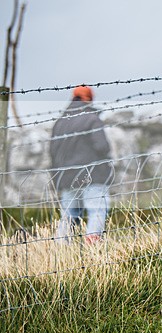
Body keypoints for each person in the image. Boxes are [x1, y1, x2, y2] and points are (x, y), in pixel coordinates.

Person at [50, 85, 113, 243]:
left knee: (69, 215)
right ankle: (93, 246)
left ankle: (61, 249)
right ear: (89, 99)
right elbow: (102, 146)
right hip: (92, 175)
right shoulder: (92, 119)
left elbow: (52, 152)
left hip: (66, 177)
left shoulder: (60, 122)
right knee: (96, 210)